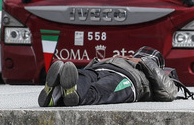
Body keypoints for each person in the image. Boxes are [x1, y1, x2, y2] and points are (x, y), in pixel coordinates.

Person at [38, 46, 181, 107]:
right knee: (89, 82)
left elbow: (168, 92)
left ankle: (61, 94)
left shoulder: (147, 66)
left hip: (118, 75)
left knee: (94, 85)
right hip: (110, 72)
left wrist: (145, 62)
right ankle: (64, 91)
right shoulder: (129, 60)